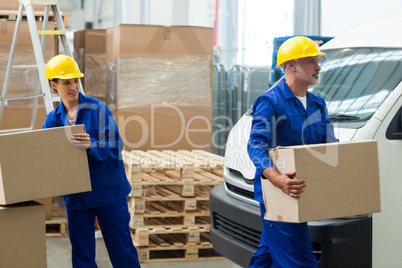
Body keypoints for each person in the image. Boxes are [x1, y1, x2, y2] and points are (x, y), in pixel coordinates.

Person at [247, 36, 338, 267]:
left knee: (266, 257)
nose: (318, 67)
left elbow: (329, 147)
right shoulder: (270, 102)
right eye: (310, 62)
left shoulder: (318, 104)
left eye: (317, 61)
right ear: (290, 66)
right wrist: (277, 179)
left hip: (304, 193)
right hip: (280, 195)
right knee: (300, 262)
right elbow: (256, 146)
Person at [42, 54, 141, 268]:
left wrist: (91, 145)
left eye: (75, 80)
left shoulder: (98, 109)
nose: (73, 86)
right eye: (66, 82)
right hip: (77, 197)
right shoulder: (52, 120)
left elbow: (116, 147)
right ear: (53, 85)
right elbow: (46, 156)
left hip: (108, 194)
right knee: (82, 255)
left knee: (122, 251)